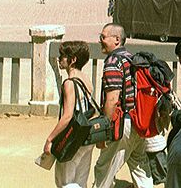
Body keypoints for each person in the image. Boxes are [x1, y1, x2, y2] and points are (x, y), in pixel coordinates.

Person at [93, 23, 153, 188]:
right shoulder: (130, 58)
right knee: (140, 165)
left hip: (122, 125)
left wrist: (104, 129)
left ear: (117, 40)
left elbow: (112, 99)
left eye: (103, 37)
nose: (100, 40)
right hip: (137, 121)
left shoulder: (113, 61)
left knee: (104, 168)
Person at [44, 40, 94, 188]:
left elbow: (67, 116)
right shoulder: (86, 79)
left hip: (72, 138)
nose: (60, 59)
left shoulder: (69, 83)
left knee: (65, 182)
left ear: (73, 60)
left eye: (63, 56)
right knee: (80, 181)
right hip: (86, 136)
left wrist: (50, 139)